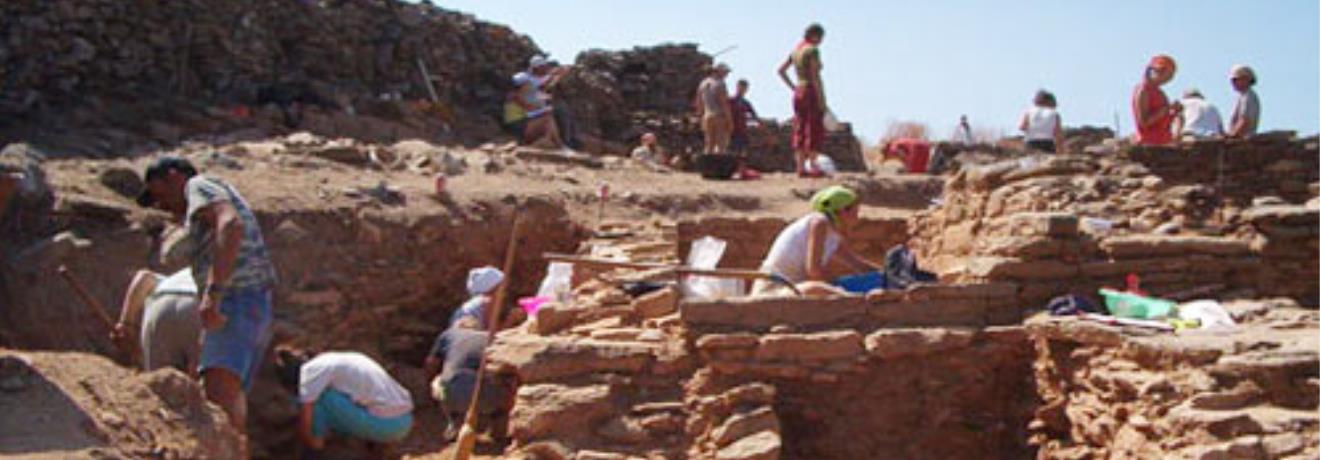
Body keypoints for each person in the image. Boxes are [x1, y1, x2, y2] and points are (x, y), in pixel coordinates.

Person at [136, 156, 277, 454]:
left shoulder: (199, 186)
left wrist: (214, 293)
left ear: (174, 176)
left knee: (219, 402)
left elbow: (231, 223)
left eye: (159, 194)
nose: (160, 205)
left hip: (236, 298)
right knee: (222, 396)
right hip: (247, 301)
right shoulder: (199, 210)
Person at [275, 347, 414, 455]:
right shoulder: (333, 360)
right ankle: (372, 446)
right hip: (404, 420)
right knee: (328, 396)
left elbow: (306, 416)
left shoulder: (309, 373)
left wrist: (306, 440)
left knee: (319, 400)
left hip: (387, 426)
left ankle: (316, 449)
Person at [753, 185, 883, 297]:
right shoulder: (819, 223)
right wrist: (835, 287)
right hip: (775, 289)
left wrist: (887, 275)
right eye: (854, 213)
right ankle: (857, 301)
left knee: (842, 285)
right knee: (817, 288)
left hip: (794, 288)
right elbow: (814, 272)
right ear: (841, 211)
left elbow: (857, 264)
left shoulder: (832, 235)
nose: (857, 219)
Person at [424, 316, 513, 442]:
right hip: (487, 395)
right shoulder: (492, 338)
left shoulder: (448, 334)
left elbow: (430, 364)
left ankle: (454, 420)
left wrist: (428, 387)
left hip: (451, 394)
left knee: (440, 382)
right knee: (505, 386)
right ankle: (498, 429)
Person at [111, 268, 201, 374]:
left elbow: (144, 277)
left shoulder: (178, 276)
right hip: (196, 302)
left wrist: (126, 324)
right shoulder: (215, 271)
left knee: (159, 383)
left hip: (160, 302)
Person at [778, 23, 828, 177]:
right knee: (813, 127)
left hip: (799, 90)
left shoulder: (795, 51)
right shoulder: (812, 50)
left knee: (799, 126)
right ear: (815, 35)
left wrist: (793, 87)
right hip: (810, 90)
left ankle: (800, 166)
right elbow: (815, 76)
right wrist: (822, 100)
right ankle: (813, 165)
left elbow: (781, 70)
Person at [527, 56, 581, 150]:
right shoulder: (528, 79)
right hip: (534, 111)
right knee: (558, 110)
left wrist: (558, 76)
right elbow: (539, 91)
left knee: (564, 109)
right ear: (536, 68)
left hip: (544, 104)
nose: (544, 68)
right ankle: (563, 143)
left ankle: (572, 141)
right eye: (542, 66)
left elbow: (548, 87)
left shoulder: (544, 76)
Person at [1131, 54, 1181, 146]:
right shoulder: (1144, 90)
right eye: (1168, 75)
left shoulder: (1159, 92)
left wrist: (1174, 112)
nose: (1169, 79)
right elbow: (1144, 122)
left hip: (1164, 141)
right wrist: (1166, 108)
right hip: (1149, 142)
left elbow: (1163, 121)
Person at [504, 73, 563, 149]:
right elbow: (529, 108)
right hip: (519, 129)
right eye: (528, 83)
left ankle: (550, 141)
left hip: (522, 125)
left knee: (547, 119)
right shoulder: (514, 96)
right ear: (523, 84)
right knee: (547, 119)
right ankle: (558, 144)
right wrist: (544, 108)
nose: (530, 84)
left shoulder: (519, 94)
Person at [694, 63, 734, 155]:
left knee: (709, 144)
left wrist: (701, 117)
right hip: (719, 116)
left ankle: (706, 166)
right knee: (721, 144)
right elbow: (724, 103)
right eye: (725, 72)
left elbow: (699, 103)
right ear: (719, 72)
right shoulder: (720, 83)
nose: (726, 75)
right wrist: (730, 120)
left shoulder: (703, 84)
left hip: (707, 116)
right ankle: (719, 166)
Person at [729, 79, 761, 155]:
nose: (742, 90)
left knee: (742, 153)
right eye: (741, 88)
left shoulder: (746, 103)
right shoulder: (730, 101)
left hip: (742, 131)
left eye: (744, 88)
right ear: (737, 87)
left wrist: (760, 124)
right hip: (731, 130)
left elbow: (754, 116)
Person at [1227, 64, 1260, 138]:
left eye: (1235, 79)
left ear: (1246, 79)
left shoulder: (1248, 96)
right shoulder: (1242, 96)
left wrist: (1232, 136)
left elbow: (1245, 121)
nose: (1233, 83)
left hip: (1243, 139)